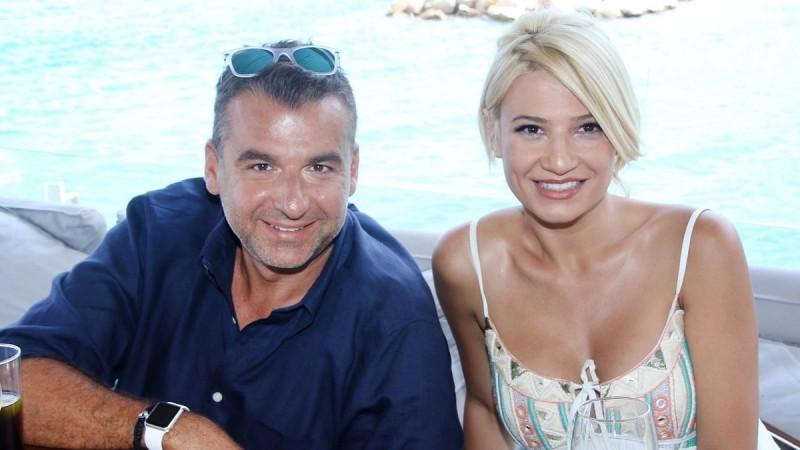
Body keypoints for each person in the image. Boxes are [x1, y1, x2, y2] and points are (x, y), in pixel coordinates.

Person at [0, 41, 463, 449]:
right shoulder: (156, 233)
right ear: (214, 168)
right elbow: (12, 382)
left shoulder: (395, 318)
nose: (293, 203)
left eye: (319, 168)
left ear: (353, 170)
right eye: (262, 167)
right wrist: (169, 430)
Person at [433, 9, 760, 449]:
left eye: (588, 127)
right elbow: (485, 411)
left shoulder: (700, 248)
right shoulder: (465, 263)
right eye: (531, 129)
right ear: (494, 134)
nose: (559, 160)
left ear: (619, 130)